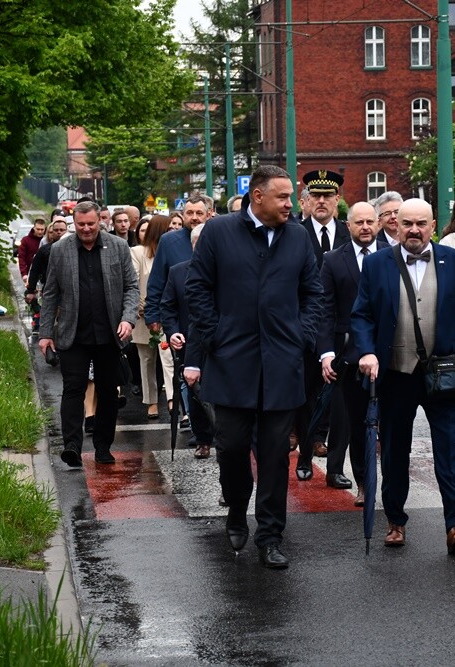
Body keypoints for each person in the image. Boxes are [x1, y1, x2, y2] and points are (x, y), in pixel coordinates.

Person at [185, 165, 324, 569]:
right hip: (232, 363)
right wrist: (217, 336)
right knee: (230, 447)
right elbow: (198, 288)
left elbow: (313, 292)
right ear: (257, 197)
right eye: (282, 197)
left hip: (282, 365)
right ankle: (235, 508)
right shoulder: (219, 232)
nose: (290, 204)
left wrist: (300, 335)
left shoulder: (297, 237)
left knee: (276, 453)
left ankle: (270, 535)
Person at [352, 198, 455, 555]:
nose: (413, 229)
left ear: (432, 225)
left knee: (448, 449)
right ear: (394, 226)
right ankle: (395, 521)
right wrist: (366, 351)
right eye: (406, 223)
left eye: (421, 223)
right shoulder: (377, 264)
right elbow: (362, 314)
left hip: (444, 373)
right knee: (395, 450)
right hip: (395, 373)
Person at [39, 201, 140, 467]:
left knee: (108, 392)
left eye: (91, 224)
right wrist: (45, 333)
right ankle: (71, 445)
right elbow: (50, 293)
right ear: (74, 223)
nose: (86, 229)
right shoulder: (60, 250)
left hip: (109, 333)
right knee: (73, 388)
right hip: (74, 333)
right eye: (81, 224)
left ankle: (103, 447)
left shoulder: (117, 247)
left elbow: (131, 287)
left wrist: (128, 319)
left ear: (100, 222)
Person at [317, 201, 387, 500]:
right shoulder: (333, 260)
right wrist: (326, 353)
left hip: (388, 349)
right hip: (348, 354)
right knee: (357, 421)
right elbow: (324, 310)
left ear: (379, 223)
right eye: (359, 222)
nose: (365, 227)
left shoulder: (393, 255)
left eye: (370, 222)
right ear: (349, 226)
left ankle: (391, 483)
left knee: (392, 421)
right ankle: (363, 483)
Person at [294, 169, 350, 477]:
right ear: (306, 199)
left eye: (328, 196)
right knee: (306, 399)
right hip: (305, 329)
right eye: (315, 195)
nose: (321, 201)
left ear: (338, 200)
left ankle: (336, 468)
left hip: (340, 330)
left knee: (340, 403)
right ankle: (305, 457)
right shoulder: (294, 233)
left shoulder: (348, 232)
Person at [162, 224, 213, 459]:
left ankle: (224, 437)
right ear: (192, 246)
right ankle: (202, 439)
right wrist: (172, 332)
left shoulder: (225, 272)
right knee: (194, 394)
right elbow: (168, 306)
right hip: (189, 343)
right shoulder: (178, 272)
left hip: (218, 343)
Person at [143, 195, 210, 338]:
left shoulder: (216, 237)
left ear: (208, 215)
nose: (194, 217)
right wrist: (153, 315)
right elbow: (157, 279)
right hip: (179, 317)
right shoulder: (168, 241)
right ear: (182, 215)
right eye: (189, 213)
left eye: (199, 213)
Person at [131, 215, 173, 420]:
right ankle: (151, 402)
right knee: (147, 360)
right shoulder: (138, 252)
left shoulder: (171, 252)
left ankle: (173, 400)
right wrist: (144, 309)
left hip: (168, 315)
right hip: (143, 315)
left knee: (168, 359)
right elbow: (133, 283)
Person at [25, 217, 69, 334]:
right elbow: (34, 270)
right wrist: (30, 290)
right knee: (50, 317)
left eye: (62, 230)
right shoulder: (44, 251)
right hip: (50, 289)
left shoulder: (73, 250)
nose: (59, 232)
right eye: (56, 230)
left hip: (68, 290)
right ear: (51, 232)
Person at [17, 217, 46, 287]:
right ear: (34, 228)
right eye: (38, 229)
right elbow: (21, 258)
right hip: (30, 274)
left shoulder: (47, 241)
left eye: (42, 229)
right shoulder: (25, 241)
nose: (40, 232)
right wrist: (24, 274)